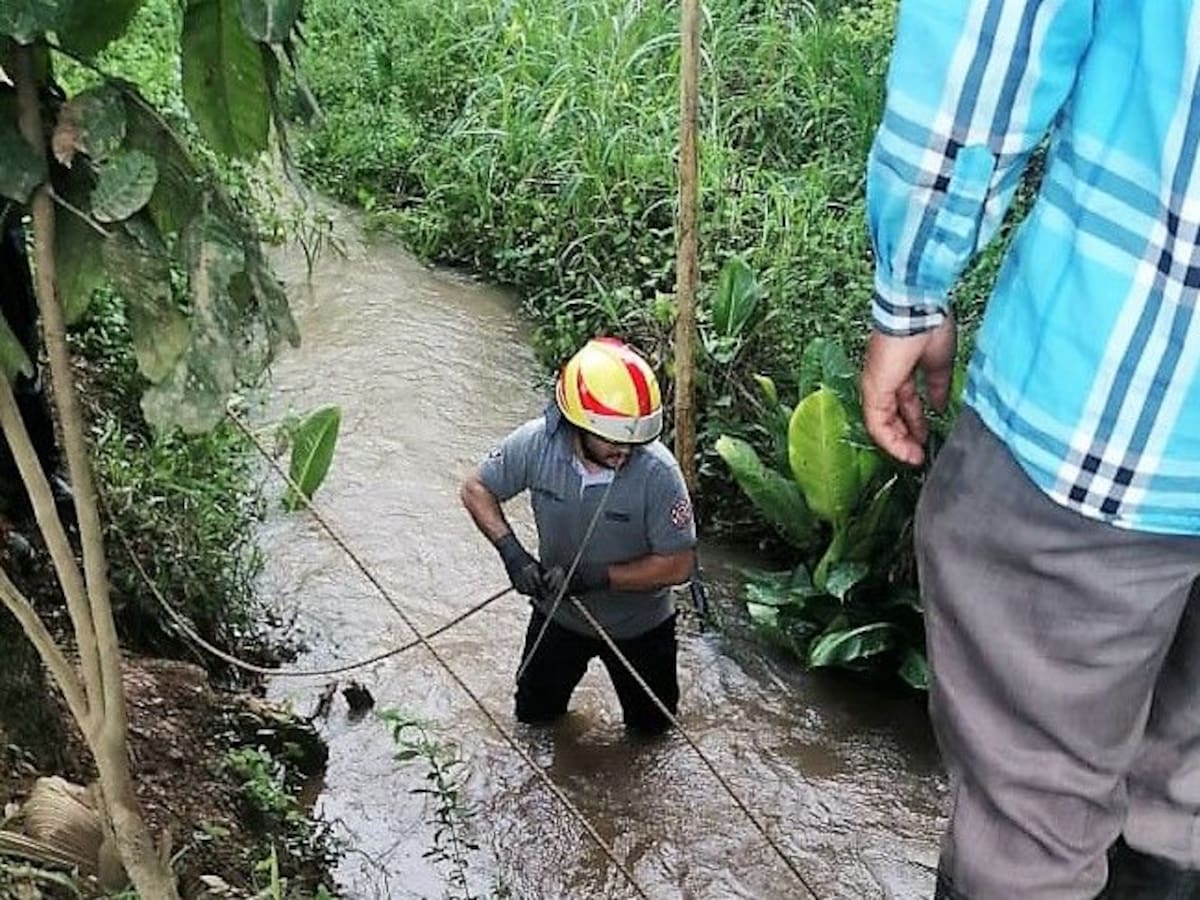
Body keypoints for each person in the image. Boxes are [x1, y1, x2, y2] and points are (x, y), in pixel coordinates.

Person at [861, 3, 1200, 898]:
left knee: (1032, 832)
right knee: (1187, 801)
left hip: (1112, 428)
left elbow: (989, 44)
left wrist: (911, 290)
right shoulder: (530, 460)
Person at [461, 337, 696, 736]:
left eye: (632, 442)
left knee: (653, 735)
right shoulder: (536, 444)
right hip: (558, 614)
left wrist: (599, 577)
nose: (623, 451)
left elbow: (678, 564)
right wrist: (512, 554)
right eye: (610, 440)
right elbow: (476, 489)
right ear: (577, 424)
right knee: (533, 721)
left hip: (640, 628)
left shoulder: (659, 474)